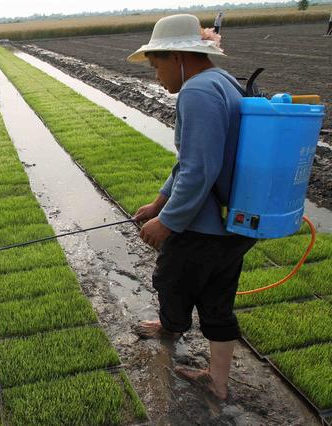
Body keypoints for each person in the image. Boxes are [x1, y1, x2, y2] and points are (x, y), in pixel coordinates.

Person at [127, 14, 256, 400]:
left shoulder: (197, 92)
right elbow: (190, 163)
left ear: (178, 56)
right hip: (233, 221)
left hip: (203, 227)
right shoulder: (224, 82)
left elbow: (199, 170)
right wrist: (158, 201)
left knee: (171, 279)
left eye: (156, 65)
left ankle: (170, 327)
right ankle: (218, 382)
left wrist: (167, 222)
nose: (156, 75)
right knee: (218, 299)